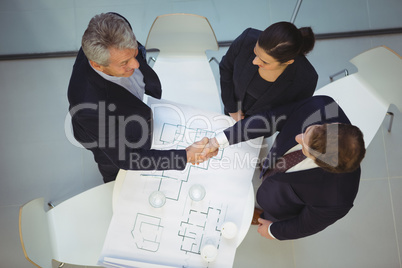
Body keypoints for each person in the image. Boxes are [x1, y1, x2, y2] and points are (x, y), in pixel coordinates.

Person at [68, 12, 208, 183]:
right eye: (124, 63)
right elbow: (126, 158)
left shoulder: (115, 23)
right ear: (97, 65)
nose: (136, 65)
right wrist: (184, 156)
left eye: (134, 54)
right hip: (104, 133)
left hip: (131, 111)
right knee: (115, 173)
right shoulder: (88, 106)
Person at [201, 95, 366, 240]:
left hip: (280, 205)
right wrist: (220, 140)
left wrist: (273, 231)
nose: (298, 137)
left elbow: (305, 225)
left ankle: (262, 214)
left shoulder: (337, 199)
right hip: (276, 159)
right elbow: (271, 119)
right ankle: (268, 170)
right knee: (268, 165)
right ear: (334, 124)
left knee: (269, 211)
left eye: (305, 148)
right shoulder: (322, 107)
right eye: (310, 130)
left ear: (325, 165)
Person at [220, 22, 318, 122]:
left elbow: (291, 112)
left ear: (288, 62)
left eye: (265, 62)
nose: (255, 61)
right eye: (255, 52)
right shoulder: (247, 39)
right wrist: (232, 108)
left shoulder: (306, 79)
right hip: (230, 111)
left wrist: (252, 127)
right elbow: (226, 68)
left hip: (259, 128)